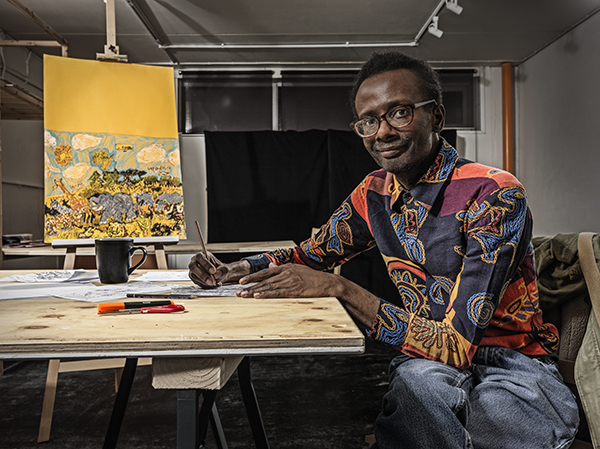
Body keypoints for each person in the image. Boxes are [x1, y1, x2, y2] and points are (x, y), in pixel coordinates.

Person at [189, 51, 579, 449]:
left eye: (400, 113)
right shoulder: (373, 193)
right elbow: (310, 256)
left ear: (437, 118)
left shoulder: (493, 194)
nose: (382, 132)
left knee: (481, 418)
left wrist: (340, 289)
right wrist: (238, 267)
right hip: (427, 363)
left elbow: (458, 345)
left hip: (510, 362)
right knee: (418, 387)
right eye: (369, 121)